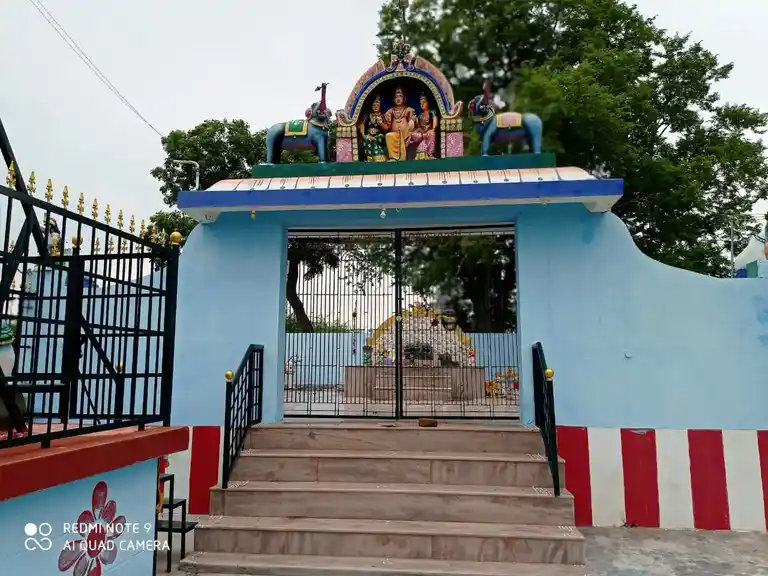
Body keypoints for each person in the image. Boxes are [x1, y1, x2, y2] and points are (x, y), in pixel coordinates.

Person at [382, 86, 415, 161]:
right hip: (395, 135)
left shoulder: (409, 109)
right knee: (388, 135)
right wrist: (383, 121)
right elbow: (388, 127)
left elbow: (412, 122)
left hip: (406, 134)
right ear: (393, 99)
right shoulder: (390, 111)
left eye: (400, 96)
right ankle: (394, 157)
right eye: (396, 97)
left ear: (405, 98)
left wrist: (410, 131)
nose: (398, 98)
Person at [358, 94, 387, 162]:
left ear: (380, 106)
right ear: (371, 106)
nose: (375, 107)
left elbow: (386, 129)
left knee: (379, 139)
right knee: (366, 140)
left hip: (379, 136)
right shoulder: (366, 116)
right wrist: (364, 136)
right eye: (374, 105)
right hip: (368, 136)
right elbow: (362, 127)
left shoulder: (383, 116)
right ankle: (369, 159)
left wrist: (380, 123)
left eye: (377, 105)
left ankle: (379, 158)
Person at [410, 93, 437, 159]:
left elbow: (435, 120)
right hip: (422, 134)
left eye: (424, 102)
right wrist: (415, 120)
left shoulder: (431, 112)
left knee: (432, 133)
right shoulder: (420, 115)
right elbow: (419, 127)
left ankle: (430, 154)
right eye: (420, 103)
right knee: (412, 134)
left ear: (428, 103)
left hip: (429, 133)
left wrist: (433, 128)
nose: (422, 104)